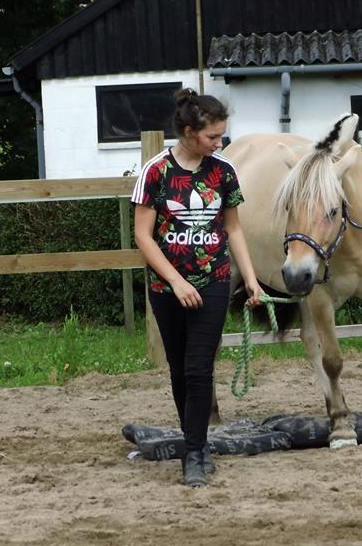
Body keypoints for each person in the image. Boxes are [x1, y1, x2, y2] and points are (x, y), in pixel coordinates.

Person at [132, 88, 262, 488]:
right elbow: (143, 236)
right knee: (180, 371)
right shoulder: (155, 173)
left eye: (221, 136)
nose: (218, 143)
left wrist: (253, 279)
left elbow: (234, 228)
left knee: (199, 367)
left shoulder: (223, 172)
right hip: (168, 288)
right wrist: (175, 280)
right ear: (189, 132)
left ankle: (194, 452)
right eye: (212, 137)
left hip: (215, 283)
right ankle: (198, 445)